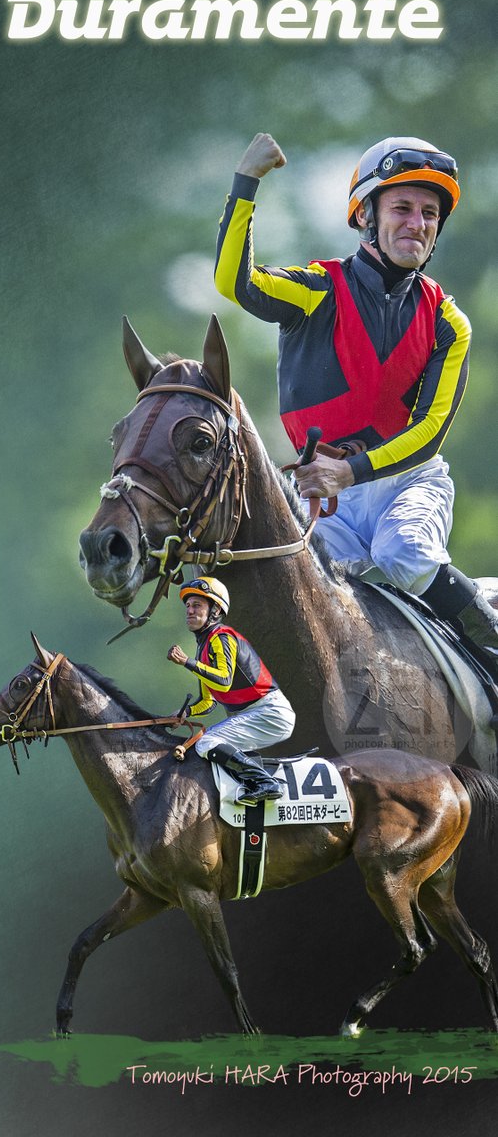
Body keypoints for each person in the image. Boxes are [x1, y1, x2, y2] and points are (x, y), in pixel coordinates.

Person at [214, 132, 498, 667]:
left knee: (403, 551)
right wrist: (246, 182)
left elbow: (429, 432)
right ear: (365, 214)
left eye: (430, 214)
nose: (418, 224)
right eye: (402, 208)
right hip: (326, 498)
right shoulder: (317, 289)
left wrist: (351, 471)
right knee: (287, 599)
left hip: (406, 481)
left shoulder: (448, 322)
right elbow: (236, 283)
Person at [166, 576, 295, 804]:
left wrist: (187, 662)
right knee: (205, 742)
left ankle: (266, 784)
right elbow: (209, 701)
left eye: (197, 605)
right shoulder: (204, 647)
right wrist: (186, 713)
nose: (190, 611)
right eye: (188, 606)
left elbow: (224, 680)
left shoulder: (221, 636)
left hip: (269, 712)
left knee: (207, 742)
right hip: (255, 713)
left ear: (215, 610)